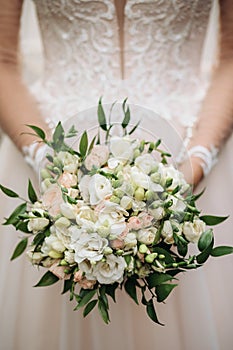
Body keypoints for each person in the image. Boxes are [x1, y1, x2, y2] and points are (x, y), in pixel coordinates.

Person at [0, 0, 232, 349]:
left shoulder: (192, 166)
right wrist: (49, 163)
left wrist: (195, 161)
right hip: (50, 169)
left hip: (193, 163)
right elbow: (3, 60)